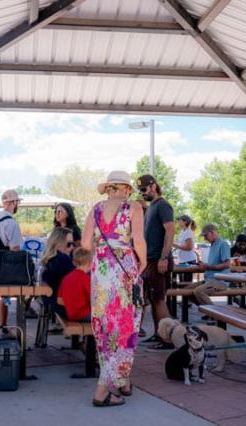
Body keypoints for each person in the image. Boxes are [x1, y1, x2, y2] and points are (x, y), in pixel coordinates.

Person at [82, 170, 146, 407]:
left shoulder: (96, 209)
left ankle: (123, 381)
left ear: (109, 188)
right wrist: (144, 260)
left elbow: (85, 243)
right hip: (124, 268)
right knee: (125, 326)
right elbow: (138, 241)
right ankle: (102, 390)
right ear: (127, 189)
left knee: (106, 326)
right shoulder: (133, 208)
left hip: (101, 270)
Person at [137, 174, 174, 350]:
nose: (142, 193)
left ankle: (169, 338)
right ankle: (159, 334)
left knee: (159, 300)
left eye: (144, 189)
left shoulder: (163, 206)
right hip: (150, 260)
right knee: (153, 299)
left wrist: (164, 257)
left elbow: (170, 232)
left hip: (158, 260)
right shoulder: (151, 207)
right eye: (140, 191)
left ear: (153, 186)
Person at [0, 189, 23, 338]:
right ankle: (11, 329)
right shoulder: (10, 222)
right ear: (14, 203)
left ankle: (3, 326)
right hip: (6, 269)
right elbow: (15, 248)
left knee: (3, 296)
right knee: (25, 289)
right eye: (17, 202)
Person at [191, 224, 231, 306]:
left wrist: (208, 267)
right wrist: (204, 264)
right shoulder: (213, 244)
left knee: (198, 291)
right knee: (187, 290)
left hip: (220, 281)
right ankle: (207, 310)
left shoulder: (223, 244)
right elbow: (214, 263)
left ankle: (216, 315)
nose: (204, 238)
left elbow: (227, 264)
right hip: (209, 279)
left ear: (212, 232)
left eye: (205, 235)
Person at [40, 227, 75, 315]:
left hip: (52, 305)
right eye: (69, 244)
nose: (72, 247)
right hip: (63, 307)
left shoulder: (50, 260)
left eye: (73, 244)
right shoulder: (62, 260)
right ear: (58, 243)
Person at [57, 248, 92, 321]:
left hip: (71, 314)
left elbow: (59, 300)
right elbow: (93, 299)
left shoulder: (66, 278)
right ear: (90, 263)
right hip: (85, 314)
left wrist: (72, 305)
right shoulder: (86, 279)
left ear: (74, 262)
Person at [173, 215, 197, 281]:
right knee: (182, 281)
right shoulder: (182, 232)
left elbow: (189, 247)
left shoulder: (188, 232)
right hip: (183, 261)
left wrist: (174, 245)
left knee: (186, 283)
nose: (178, 222)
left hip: (188, 261)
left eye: (180, 220)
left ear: (185, 222)